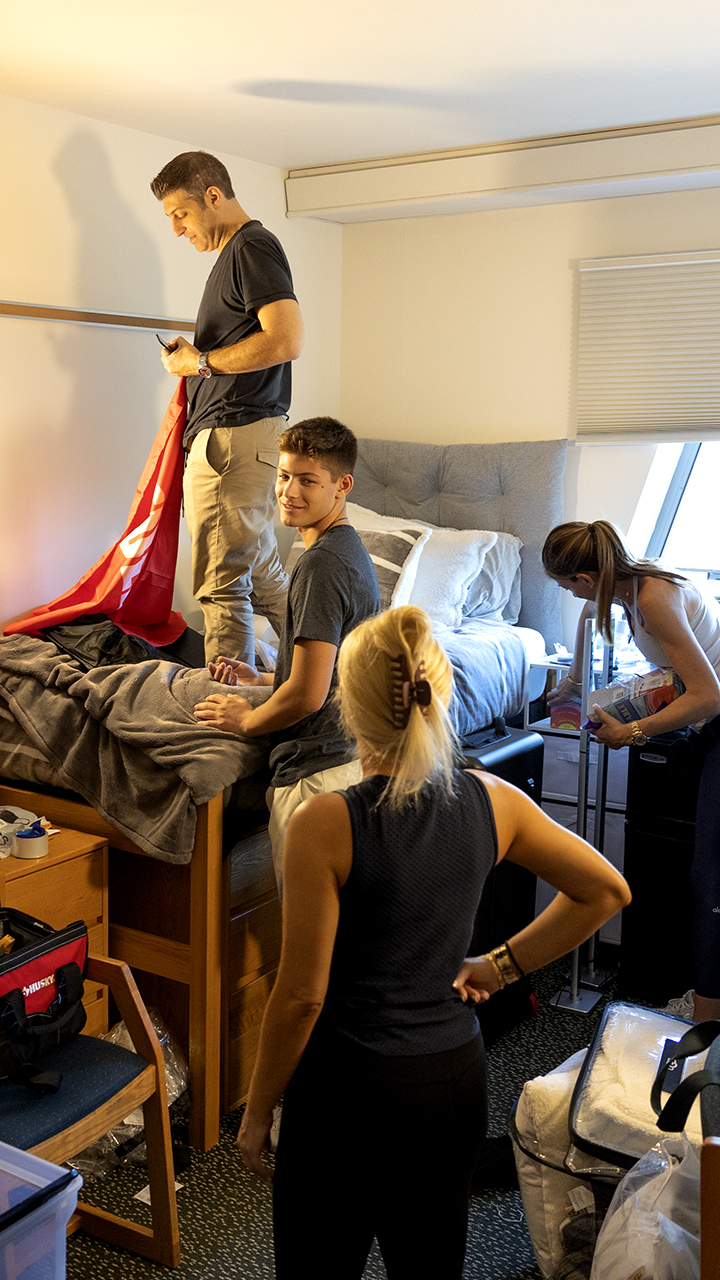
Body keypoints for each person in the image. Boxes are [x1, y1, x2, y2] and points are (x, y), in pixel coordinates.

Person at [235, 605, 630, 1280]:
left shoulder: (323, 823)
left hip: (344, 1093)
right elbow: (605, 891)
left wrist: (258, 1110)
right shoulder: (493, 800)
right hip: (449, 1080)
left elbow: (301, 998)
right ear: (438, 695)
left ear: (346, 707)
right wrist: (501, 967)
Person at [542, 519, 720, 1021]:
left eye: (566, 584)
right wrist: (574, 685)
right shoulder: (628, 588)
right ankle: (711, 1004)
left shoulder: (653, 600)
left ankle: (707, 1018)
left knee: (710, 877)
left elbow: (709, 694)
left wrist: (634, 733)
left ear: (587, 577)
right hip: (713, 726)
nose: (568, 595)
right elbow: (587, 621)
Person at [193, 417, 380, 888]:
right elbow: (332, 673)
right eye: (283, 475)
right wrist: (263, 680)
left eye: (308, 481)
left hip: (316, 773)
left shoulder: (321, 565)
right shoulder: (348, 550)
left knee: (309, 941)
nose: (288, 492)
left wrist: (246, 719)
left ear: (342, 486)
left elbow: (308, 696)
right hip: (347, 761)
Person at [150, 151, 304, 666]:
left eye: (180, 213)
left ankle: (228, 720)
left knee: (221, 583)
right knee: (262, 575)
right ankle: (325, 684)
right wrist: (197, 361)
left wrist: (201, 364)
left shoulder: (250, 246)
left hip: (233, 440)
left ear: (213, 196)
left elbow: (285, 340)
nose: (176, 229)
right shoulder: (238, 255)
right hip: (245, 438)